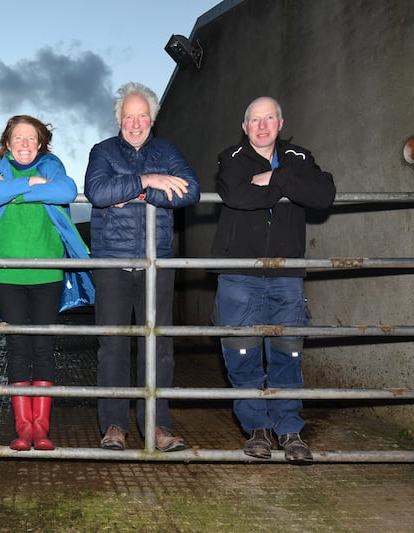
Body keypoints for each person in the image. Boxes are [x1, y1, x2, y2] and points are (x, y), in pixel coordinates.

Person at [0, 115, 94, 451]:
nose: (24, 144)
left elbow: (65, 189)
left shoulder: (52, 164)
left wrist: (16, 192)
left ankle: (41, 429)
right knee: (18, 347)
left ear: (40, 143)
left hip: (48, 271)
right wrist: (31, 184)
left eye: (31, 138)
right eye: (18, 138)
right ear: (7, 143)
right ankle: (23, 430)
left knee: (44, 347)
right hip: (6, 273)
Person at [211, 96, 335, 463]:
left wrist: (276, 177)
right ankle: (257, 429)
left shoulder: (299, 158)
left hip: (286, 273)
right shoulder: (229, 158)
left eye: (269, 119)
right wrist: (289, 185)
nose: (262, 126)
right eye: (254, 120)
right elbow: (238, 195)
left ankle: (289, 429)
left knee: (287, 352)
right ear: (244, 126)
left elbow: (323, 194)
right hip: (239, 273)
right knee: (242, 353)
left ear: (280, 123)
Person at [84, 82, 200, 452]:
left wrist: (131, 192)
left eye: (143, 116)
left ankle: (156, 425)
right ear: (119, 119)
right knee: (113, 347)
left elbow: (191, 191)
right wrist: (149, 182)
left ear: (152, 119)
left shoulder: (167, 150)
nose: (135, 123)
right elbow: (98, 192)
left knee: (158, 348)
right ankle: (114, 426)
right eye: (129, 116)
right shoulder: (102, 151)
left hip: (156, 261)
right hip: (112, 262)